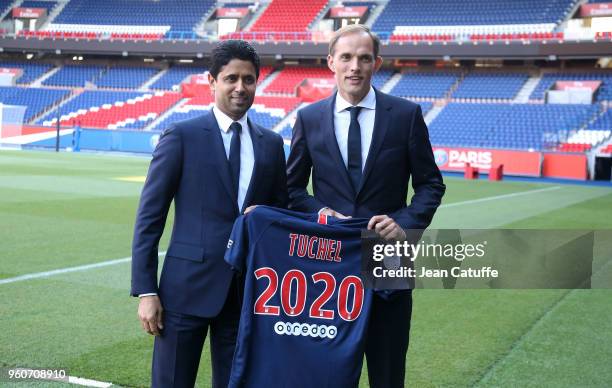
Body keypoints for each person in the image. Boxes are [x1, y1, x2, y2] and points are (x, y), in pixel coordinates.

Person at [286, 24, 445, 388]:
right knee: (328, 371)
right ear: (331, 62)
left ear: (377, 63)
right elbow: (291, 188)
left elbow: (430, 184)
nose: (354, 66)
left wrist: (404, 223)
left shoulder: (405, 115)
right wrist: (320, 213)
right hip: (328, 264)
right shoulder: (309, 118)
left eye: (363, 58)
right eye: (346, 57)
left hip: (389, 259)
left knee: (387, 370)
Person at [131, 40, 288, 388]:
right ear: (212, 81)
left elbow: (281, 212)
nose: (240, 87)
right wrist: (146, 290)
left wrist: (268, 213)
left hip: (245, 294)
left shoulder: (271, 144)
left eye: (249, 79)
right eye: (231, 78)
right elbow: (149, 216)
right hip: (183, 292)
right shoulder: (181, 136)